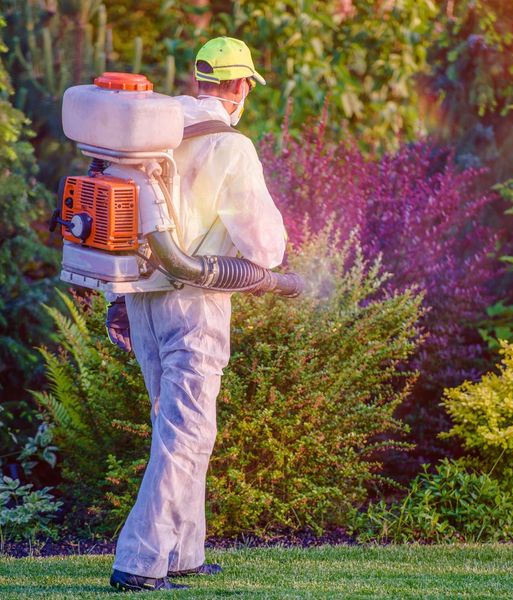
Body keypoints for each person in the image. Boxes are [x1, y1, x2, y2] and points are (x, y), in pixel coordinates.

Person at [107, 36, 287, 592]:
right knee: (187, 433)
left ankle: (184, 552)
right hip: (194, 300)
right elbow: (264, 247)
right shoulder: (230, 147)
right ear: (239, 88)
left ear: (199, 81)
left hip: (140, 296)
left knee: (177, 426)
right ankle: (139, 561)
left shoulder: (153, 134)